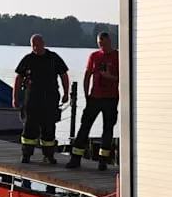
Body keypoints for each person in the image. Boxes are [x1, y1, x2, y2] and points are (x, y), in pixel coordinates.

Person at [13, 34, 69, 164]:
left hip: (50, 99)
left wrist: (67, 93)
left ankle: (49, 155)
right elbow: (18, 78)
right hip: (32, 99)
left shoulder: (53, 58)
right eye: (33, 45)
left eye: (37, 44)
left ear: (43, 43)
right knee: (29, 128)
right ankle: (26, 154)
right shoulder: (28, 59)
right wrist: (15, 97)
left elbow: (64, 75)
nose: (35, 48)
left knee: (49, 128)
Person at [67, 32, 119, 170]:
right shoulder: (94, 56)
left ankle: (103, 161)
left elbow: (122, 77)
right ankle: (75, 158)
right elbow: (87, 75)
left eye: (103, 42)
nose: (101, 45)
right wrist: (86, 94)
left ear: (109, 41)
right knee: (85, 126)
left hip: (111, 98)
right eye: (99, 43)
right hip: (94, 98)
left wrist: (110, 76)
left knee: (108, 129)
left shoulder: (117, 56)